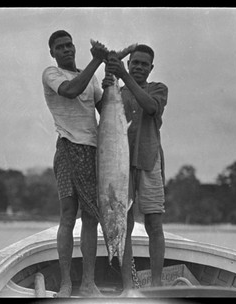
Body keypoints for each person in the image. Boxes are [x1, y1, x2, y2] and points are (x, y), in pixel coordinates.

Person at [41, 30, 108, 298]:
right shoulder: (51, 74)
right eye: (61, 47)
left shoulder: (91, 78)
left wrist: (113, 74)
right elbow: (70, 91)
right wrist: (97, 60)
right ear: (53, 53)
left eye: (70, 45)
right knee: (68, 216)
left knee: (91, 218)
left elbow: (106, 107)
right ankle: (66, 282)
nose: (67, 49)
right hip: (68, 147)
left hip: (93, 151)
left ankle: (89, 283)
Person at [104, 44, 168, 291]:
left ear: (151, 68)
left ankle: (156, 286)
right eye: (135, 63)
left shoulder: (158, 89)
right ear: (128, 63)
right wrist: (110, 75)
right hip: (119, 167)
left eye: (144, 64)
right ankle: (128, 286)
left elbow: (151, 107)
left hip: (149, 161)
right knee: (124, 225)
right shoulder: (116, 92)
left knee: (154, 224)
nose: (139, 67)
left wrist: (123, 75)